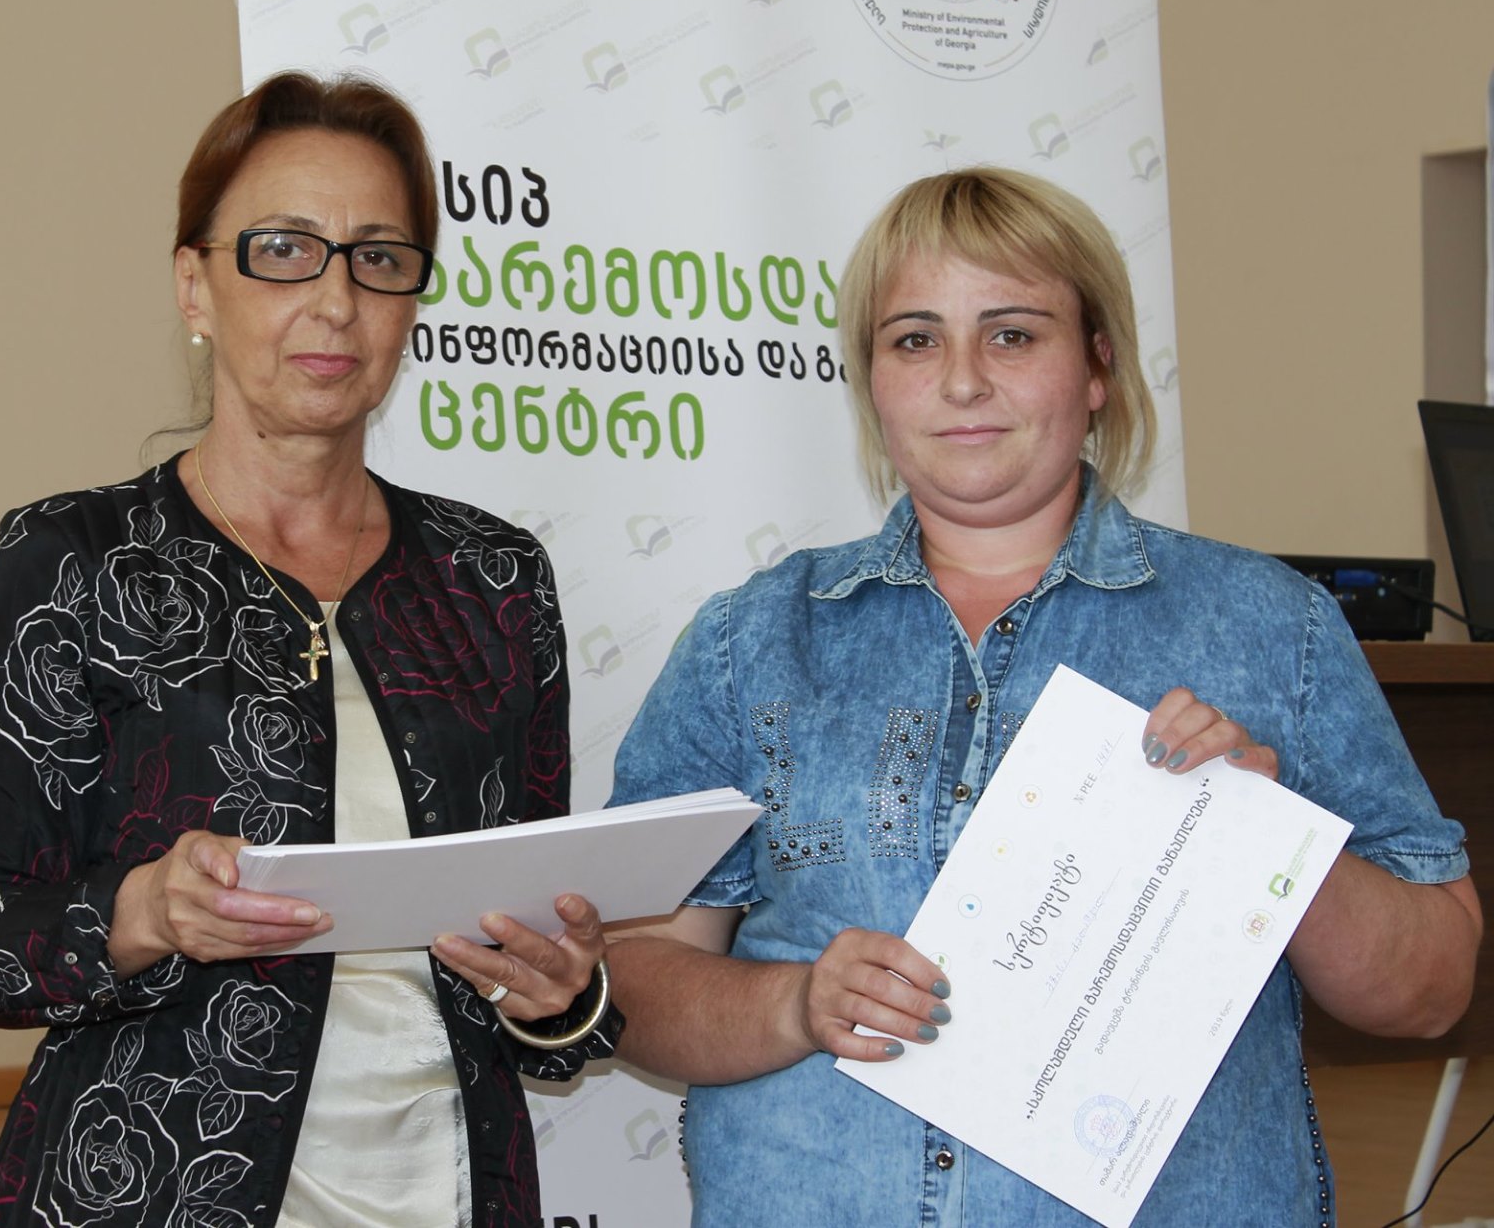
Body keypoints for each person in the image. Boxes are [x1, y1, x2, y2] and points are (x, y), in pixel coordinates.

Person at [604, 166, 1481, 1225]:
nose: (962, 381)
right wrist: (791, 1003)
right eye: (914, 339)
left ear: (1098, 364)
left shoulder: (1269, 625)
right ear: (871, 378)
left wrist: (1267, 840)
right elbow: (636, 976)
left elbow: (1430, 990)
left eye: (1011, 335)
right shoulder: (749, 640)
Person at [0, 70, 619, 1228]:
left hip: (451, 1193)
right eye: (283, 250)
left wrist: (557, 993)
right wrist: (144, 910)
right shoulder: (71, 564)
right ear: (195, 284)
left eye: (377, 258)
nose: (335, 301)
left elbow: (533, 949)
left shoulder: (492, 581)